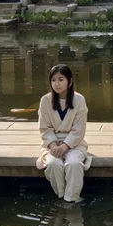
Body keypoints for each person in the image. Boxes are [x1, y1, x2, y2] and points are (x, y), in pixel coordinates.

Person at [36, 64, 92, 203]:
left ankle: (71, 199)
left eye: (61, 79)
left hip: (74, 144)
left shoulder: (79, 100)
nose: (57, 83)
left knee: (73, 164)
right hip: (52, 144)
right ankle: (61, 196)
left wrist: (65, 146)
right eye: (53, 80)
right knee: (54, 164)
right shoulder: (45, 100)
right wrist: (54, 146)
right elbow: (45, 127)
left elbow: (79, 130)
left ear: (70, 81)